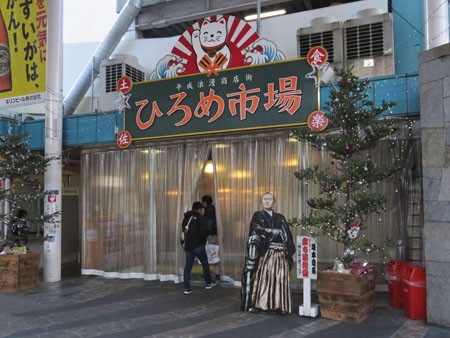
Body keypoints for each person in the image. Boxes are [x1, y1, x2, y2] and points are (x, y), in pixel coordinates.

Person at [240, 192, 295, 314]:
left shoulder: (280, 217)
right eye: (265, 199)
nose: (267, 201)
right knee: (265, 278)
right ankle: (263, 304)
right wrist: (273, 232)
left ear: (274, 202)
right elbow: (256, 231)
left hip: (281, 253)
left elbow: (286, 234)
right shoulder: (258, 215)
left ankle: (279, 306)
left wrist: (273, 233)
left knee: (279, 278)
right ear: (261, 201)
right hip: (267, 253)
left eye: (270, 199)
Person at [182, 201, 217, 295]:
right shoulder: (199, 218)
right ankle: (208, 283)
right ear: (199, 209)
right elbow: (203, 232)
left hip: (188, 246)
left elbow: (184, 231)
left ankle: (186, 287)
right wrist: (203, 239)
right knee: (205, 263)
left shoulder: (186, 218)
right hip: (198, 245)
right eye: (202, 209)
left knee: (188, 266)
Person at [202, 194, 220, 280]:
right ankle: (217, 273)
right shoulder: (214, 209)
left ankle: (207, 273)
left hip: (210, 235)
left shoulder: (208, 211)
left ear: (205, 202)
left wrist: (204, 234)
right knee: (215, 253)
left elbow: (208, 224)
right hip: (216, 234)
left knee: (208, 254)